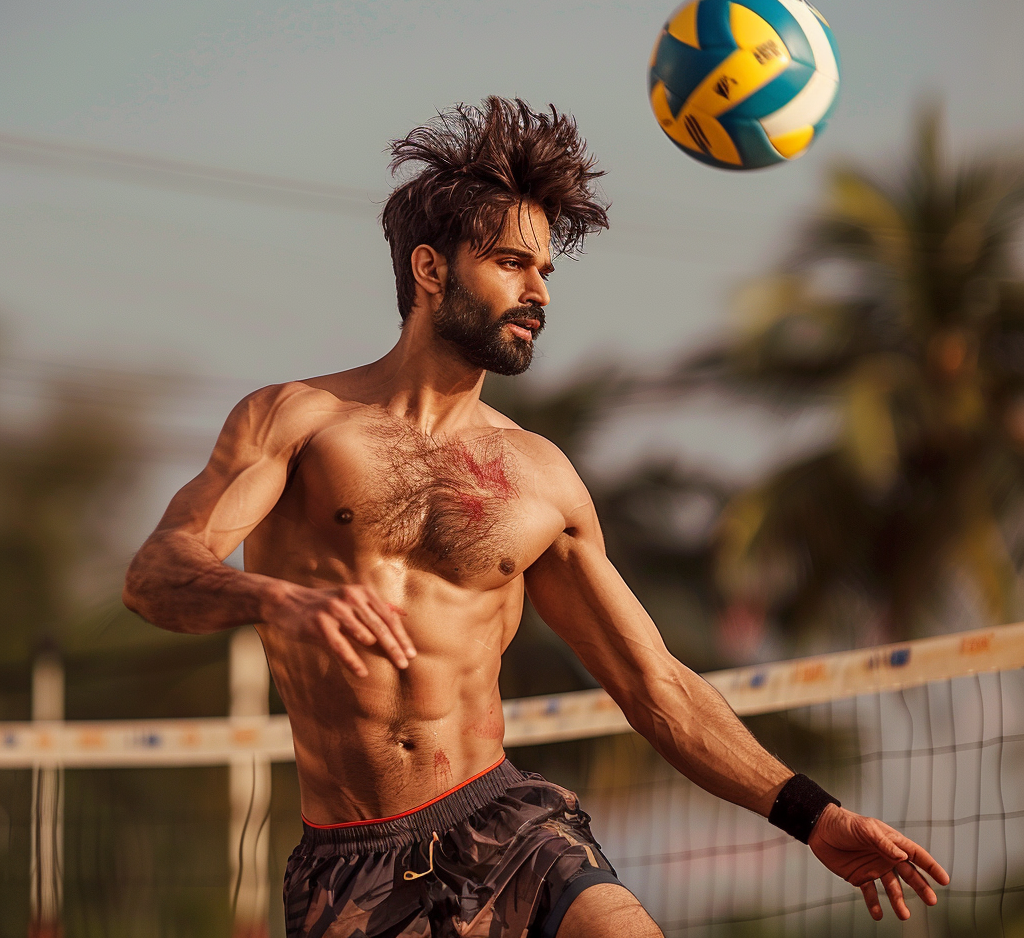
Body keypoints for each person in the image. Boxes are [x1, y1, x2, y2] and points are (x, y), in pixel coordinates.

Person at [123, 97, 949, 938]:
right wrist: (276, 599)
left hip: (504, 826)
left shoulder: (542, 480)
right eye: (513, 263)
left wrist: (814, 815)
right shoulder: (296, 421)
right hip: (349, 864)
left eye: (546, 271)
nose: (537, 291)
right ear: (430, 270)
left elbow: (654, 684)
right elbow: (154, 577)